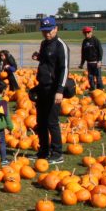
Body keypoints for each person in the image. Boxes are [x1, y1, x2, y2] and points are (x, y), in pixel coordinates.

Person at [31, 16, 70, 164]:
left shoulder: (61, 46)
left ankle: (57, 152)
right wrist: (39, 57)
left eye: (49, 30)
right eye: (44, 31)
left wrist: (60, 90)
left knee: (52, 122)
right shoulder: (44, 44)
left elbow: (64, 69)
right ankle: (43, 151)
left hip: (54, 90)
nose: (47, 33)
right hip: (43, 87)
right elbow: (47, 62)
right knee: (41, 121)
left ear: (56, 29)